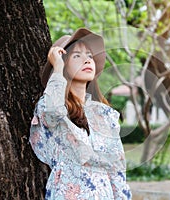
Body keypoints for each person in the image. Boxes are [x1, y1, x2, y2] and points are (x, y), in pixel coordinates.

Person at [29, 28, 132, 200]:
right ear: (62, 63)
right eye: (77, 56)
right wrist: (58, 67)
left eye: (90, 56)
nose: (87, 60)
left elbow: (117, 168)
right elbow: (52, 114)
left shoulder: (104, 115)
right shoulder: (52, 105)